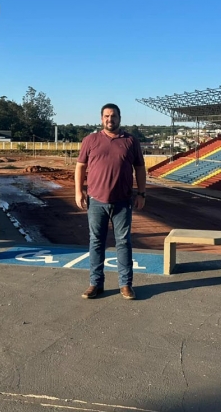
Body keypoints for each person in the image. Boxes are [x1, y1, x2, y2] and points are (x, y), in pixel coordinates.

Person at [74, 103, 146, 300]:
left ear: (119, 118)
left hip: (123, 201)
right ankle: (95, 284)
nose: (110, 119)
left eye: (113, 116)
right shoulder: (90, 140)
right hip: (96, 200)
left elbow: (140, 168)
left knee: (124, 242)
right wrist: (78, 191)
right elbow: (80, 166)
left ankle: (125, 284)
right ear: (101, 119)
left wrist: (141, 193)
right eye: (106, 116)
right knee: (96, 242)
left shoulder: (131, 141)